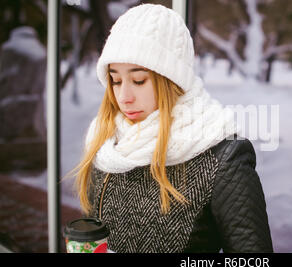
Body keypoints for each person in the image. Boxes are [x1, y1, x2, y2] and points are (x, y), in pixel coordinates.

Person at [69, 4, 273, 253]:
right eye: (115, 79)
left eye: (138, 80)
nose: (123, 96)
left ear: (172, 80)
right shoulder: (106, 144)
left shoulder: (223, 158)